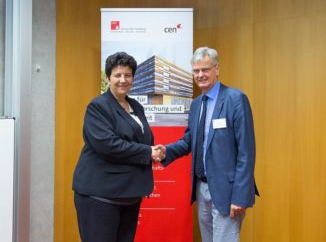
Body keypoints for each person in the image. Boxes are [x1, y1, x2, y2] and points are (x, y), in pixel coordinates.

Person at [156, 47, 259, 242]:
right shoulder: (196, 104)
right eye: (196, 71)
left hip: (228, 192)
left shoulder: (235, 99)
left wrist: (240, 196)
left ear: (217, 69)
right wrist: (166, 151)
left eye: (205, 69)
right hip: (202, 189)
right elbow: (189, 140)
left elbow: (247, 152)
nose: (200, 75)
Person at [72, 52, 163, 242]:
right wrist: (147, 152)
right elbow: (108, 145)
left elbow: (142, 139)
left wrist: (154, 150)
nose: (123, 80)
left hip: (129, 194)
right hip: (100, 195)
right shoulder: (98, 106)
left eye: (128, 75)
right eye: (117, 75)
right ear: (108, 78)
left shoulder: (135, 106)